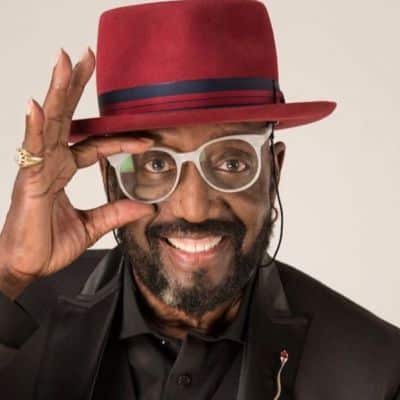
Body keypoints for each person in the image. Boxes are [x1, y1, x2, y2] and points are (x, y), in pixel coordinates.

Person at [0, 0, 399, 399]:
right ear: (110, 178)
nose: (193, 209)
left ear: (273, 171)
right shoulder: (16, 312)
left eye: (231, 162)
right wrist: (10, 274)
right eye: (156, 164)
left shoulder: (377, 372)